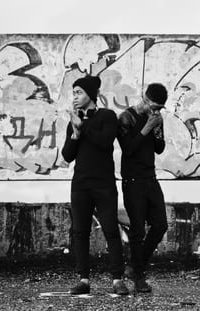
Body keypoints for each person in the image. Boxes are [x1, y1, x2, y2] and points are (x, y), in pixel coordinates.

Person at [61, 75, 129, 296]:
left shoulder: (107, 116)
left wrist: (84, 126)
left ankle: (117, 279)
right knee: (80, 232)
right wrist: (75, 133)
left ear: (91, 95)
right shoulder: (74, 121)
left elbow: (104, 141)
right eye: (74, 93)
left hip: (104, 184)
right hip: (80, 184)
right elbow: (67, 155)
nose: (75, 97)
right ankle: (83, 280)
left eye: (79, 92)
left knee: (110, 230)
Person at [117, 83, 168, 293]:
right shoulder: (126, 118)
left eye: (159, 108)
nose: (155, 111)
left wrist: (156, 129)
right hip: (132, 180)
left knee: (160, 225)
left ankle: (135, 265)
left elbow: (159, 148)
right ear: (143, 98)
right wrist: (147, 127)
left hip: (150, 177)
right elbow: (128, 149)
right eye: (153, 106)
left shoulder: (156, 119)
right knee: (137, 230)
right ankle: (139, 277)